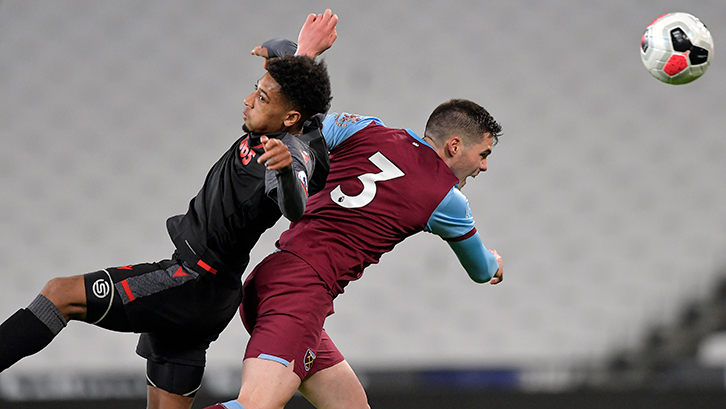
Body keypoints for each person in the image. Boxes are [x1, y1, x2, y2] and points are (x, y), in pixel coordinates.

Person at [0, 10, 338, 409]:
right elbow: (289, 68)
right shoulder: (295, 120)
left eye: (262, 98)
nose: (248, 101)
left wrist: (282, 172)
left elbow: (294, 206)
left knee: (60, 293)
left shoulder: (293, 153)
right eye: (255, 88)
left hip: (190, 281)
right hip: (210, 294)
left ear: (290, 118)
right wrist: (303, 48)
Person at [205, 88, 505, 408]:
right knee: (257, 406)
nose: (483, 167)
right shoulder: (447, 199)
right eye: (483, 154)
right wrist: (495, 262)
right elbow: (480, 269)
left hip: (272, 277)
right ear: (454, 146)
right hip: (301, 293)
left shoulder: (364, 128)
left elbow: (304, 131)